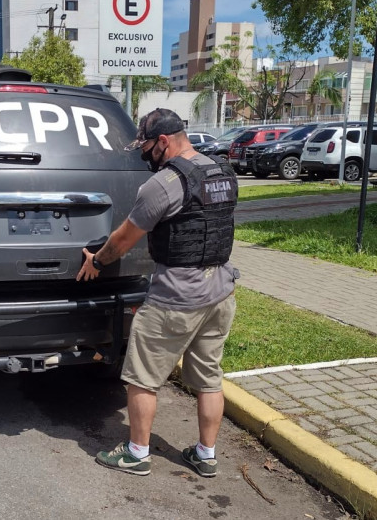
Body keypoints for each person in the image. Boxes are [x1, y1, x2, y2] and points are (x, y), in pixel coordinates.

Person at [76, 108, 238, 478]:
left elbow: (121, 240)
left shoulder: (164, 184)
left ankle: (136, 453)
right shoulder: (222, 172)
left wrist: (96, 262)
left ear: (163, 141)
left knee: (141, 378)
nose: (144, 154)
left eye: (146, 147)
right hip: (221, 293)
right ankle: (206, 454)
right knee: (210, 378)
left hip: (176, 300)